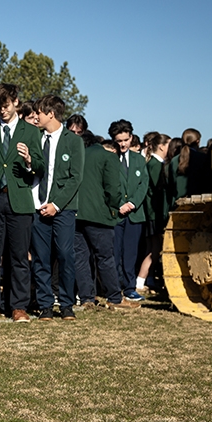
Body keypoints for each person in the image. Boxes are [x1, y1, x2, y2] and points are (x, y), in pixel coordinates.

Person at [0, 83, 45, 323]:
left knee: (19, 257)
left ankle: (18, 307)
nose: (1, 111)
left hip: (20, 201)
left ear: (15, 102)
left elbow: (41, 168)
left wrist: (29, 160)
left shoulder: (31, 132)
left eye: (5, 106)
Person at [72, 129, 139, 310]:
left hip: (76, 214)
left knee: (81, 257)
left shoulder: (77, 155)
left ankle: (86, 298)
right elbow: (113, 189)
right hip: (99, 215)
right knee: (105, 257)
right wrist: (114, 207)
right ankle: (114, 297)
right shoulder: (107, 156)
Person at [30, 95, 83, 320]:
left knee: (64, 255)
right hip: (37, 206)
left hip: (64, 208)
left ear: (50, 113)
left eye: (39, 113)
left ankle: (66, 304)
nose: (36, 117)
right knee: (41, 257)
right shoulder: (35, 138)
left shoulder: (73, 141)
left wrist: (57, 204)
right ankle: (44, 305)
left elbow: (75, 177)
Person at [109, 120, 149, 303]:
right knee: (114, 252)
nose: (123, 144)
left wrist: (131, 204)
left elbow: (143, 185)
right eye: (119, 141)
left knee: (131, 253)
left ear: (131, 138)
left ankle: (130, 288)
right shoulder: (109, 159)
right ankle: (114, 288)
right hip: (115, 215)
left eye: (125, 140)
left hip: (134, 215)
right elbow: (107, 186)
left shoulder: (139, 160)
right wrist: (119, 205)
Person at [136, 131, 171, 295]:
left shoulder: (151, 163)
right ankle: (141, 280)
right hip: (153, 213)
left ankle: (146, 280)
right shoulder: (156, 166)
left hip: (150, 212)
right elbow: (158, 191)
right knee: (154, 250)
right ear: (162, 146)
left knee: (151, 248)